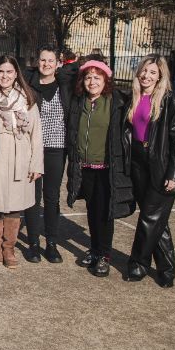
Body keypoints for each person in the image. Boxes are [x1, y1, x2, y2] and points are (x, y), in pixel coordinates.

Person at [66, 60, 134, 278]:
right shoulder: (79, 101)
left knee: (105, 213)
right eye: (88, 77)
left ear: (106, 80)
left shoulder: (116, 102)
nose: (92, 82)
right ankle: (95, 250)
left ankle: (104, 255)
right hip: (84, 166)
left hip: (107, 168)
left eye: (97, 77)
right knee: (92, 211)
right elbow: (64, 75)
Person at [125, 55, 175, 287]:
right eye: (144, 71)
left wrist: (174, 173)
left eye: (153, 73)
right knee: (157, 219)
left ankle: (138, 263)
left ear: (160, 76)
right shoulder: (134, 97)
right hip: (138, 162)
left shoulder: (170, 101)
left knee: (150, 217)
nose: (147, 76)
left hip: (160, 163)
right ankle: (167, 269)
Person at [0, 55, 43, 269]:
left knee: (14, 206)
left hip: (21, 155)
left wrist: (36, 163)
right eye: (0, 71)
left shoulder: (26, 97)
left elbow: (36, 133)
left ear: (16, 73)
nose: (5, 76)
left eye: (9, 71)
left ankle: (9, 247)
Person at [24, 47, 73, 263]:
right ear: (37, 62)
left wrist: (64, 72)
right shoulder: (28, 84)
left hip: (57, 148)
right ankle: (33, 243)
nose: (46, 64)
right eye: (42, 60)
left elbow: (78, 70)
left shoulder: (65, 84)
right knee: (32, 198)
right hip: (32, 148)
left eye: (51, 60)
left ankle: (51, 243)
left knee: (51, 198)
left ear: (58, 63)